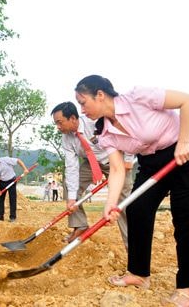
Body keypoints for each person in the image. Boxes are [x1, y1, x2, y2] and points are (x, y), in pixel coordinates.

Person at [75, 74, 189, 306]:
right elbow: (117, 170)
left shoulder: (138, 97)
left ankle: (187, 286)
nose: (82, 110)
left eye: (83, 102)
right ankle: (138, 274)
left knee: (185, 218)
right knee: (137, 209)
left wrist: (184, 141)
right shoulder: (104, 134)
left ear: (100, 94)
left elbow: (188, 101)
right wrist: (111, 204)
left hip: (185, 153)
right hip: (151, 162)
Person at [51, 101, 134, 245]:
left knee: (123, 203)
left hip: (115, 161)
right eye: (56, 124)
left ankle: (132, 246)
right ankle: (80, 225)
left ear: (72, 118)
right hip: (90, 164)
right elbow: (71, 167)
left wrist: (128, 159)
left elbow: (123, 134)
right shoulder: (66, 138)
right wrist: (72, 198)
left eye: (60, 122)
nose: (58, 127)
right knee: (69, 186)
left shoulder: (94, 122)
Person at [0, 152, 29, 222]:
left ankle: (12, 217)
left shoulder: (5, 160)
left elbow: (18, 160)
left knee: (12, 199)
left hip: (12, 181)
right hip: (2, 182)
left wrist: (25, 169)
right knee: (0, 199)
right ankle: (0, 216)